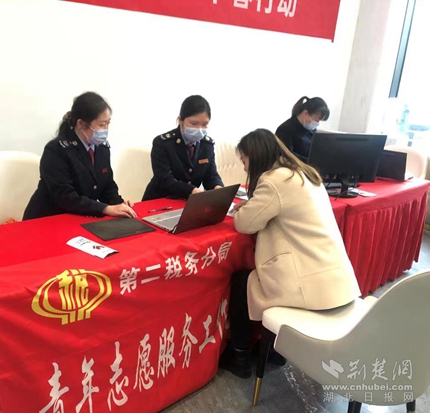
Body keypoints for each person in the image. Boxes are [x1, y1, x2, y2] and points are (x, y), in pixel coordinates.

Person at [222, 128, 360, 379]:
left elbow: (244, 223)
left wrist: (244, 208)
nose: (244, 168)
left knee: (242, 281)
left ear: (255, 156)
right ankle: (276, 351)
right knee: (255, 279)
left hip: (309, 284)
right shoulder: (304, 174)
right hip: (336, 279)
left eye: (244, 160)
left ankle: (239, 354)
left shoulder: (274, 181)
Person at [23, 92, 136, 220]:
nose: (105, 129)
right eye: (101, 125)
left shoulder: (102, 148)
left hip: (80, 217)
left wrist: (119, 204)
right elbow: (65, 197)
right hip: (49, 218)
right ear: (81, 124)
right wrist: (105, 209)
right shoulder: (56, 150)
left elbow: (107, 185)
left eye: (108, 124)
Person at [142, 95, 224, 201]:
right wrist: (191, 191)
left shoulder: (207, 145)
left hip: (188, 201)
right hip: (160, 200)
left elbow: (211, 175)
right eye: (194, 123)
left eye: (204, 124)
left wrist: (217, 188)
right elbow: (165, 179)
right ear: (180, 120)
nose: (199, 129)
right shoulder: (163, 143)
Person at [275, 96, 330, 162]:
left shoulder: (311, 130)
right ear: (305, 113)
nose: (317, 123)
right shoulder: (285, 130)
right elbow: (288, 156)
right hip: (296, 166)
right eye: (316, 120)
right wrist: (311, 161)